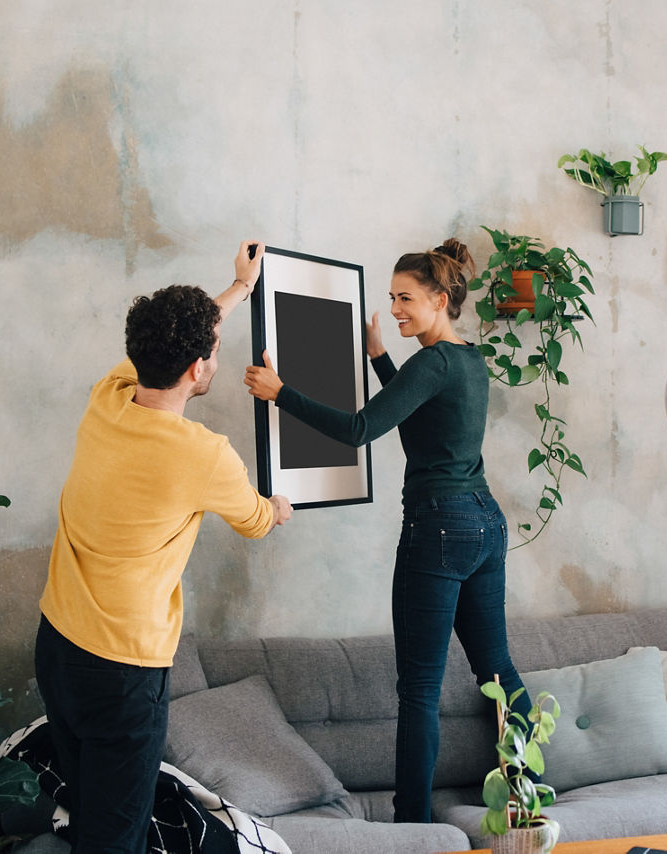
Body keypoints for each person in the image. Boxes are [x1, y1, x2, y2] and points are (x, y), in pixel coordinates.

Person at [243, 238, 532, 823]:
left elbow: (359, 429)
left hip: (439, 528)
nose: (395, 308)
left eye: (405, 298)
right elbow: (422, 411)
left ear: (441, 298)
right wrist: (379, 358)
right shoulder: (469, 359)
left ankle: (413, 825)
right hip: (484, 522)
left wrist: (281, 394)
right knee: (496, 666)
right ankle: (528, 793)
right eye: (391, 297)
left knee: (420, 688)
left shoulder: (431, 363)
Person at [35, 240, 292, 853]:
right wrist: (281, 506)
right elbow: (256, 520)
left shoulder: (110, 396)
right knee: (113, 838)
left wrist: (237, 289)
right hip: (122, 672)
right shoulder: (204, 455)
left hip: (57, 646)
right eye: (214, 354)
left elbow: (179, 337)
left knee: (88, 815)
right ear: (199, 370)